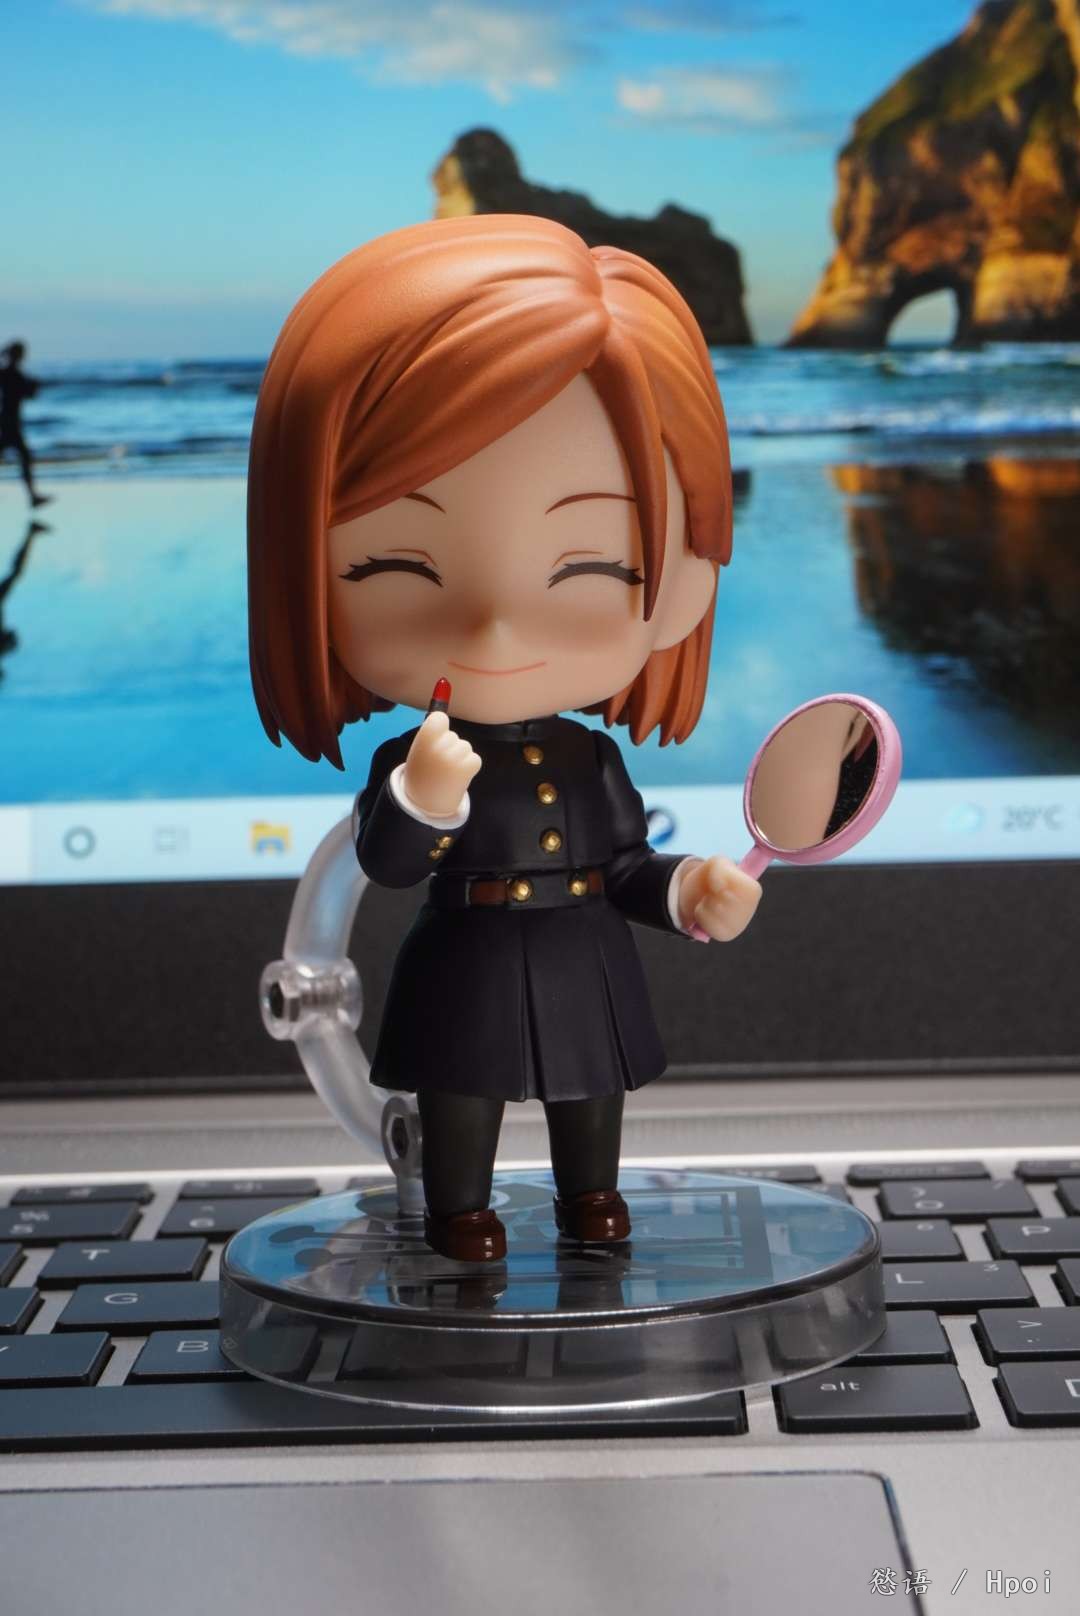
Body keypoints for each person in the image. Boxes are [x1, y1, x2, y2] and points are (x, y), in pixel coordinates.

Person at [247, 215, 762, 1262]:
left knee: (592, 1089)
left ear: (683, 583)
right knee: (460, 1092)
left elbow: (626, 864)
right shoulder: (409, 760)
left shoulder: (590, 759)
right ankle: (460, 1209)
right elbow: (390, 864)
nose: (491, 629)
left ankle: (590, 1198)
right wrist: (422, 797)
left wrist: (687, 890)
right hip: (465, 955)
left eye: (591, 567)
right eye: (394, 567)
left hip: (584, 951)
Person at [0, 342, 50, 509]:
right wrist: (34, 387)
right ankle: (33, 497)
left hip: (9, 421)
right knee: (25, 457)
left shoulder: (9, 373)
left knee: (24, 457)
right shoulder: (12, 374)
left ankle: (33, 497)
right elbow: (29, 394)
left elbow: (26, 395)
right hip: (10, 422)